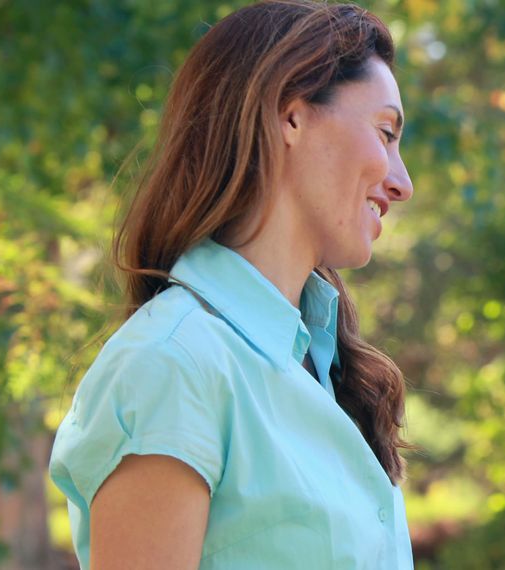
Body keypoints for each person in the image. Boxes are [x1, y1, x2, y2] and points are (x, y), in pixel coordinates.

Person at [49, 2, 416, 568]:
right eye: (386, 132)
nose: (402, 183)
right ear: (290, 116)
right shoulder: (173, 366)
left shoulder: (321, 369)